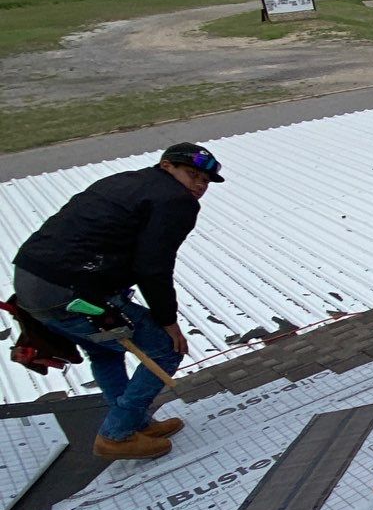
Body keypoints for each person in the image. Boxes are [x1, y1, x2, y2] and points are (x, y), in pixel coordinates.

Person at [11, 142, 224, 461]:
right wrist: (168, 321)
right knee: (166, 348)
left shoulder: (125, 181)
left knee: (103, 351)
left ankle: (134, 423)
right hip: (69, 292)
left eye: (205, 181)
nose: (198, 185)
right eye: (192, 174)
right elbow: (153, 266)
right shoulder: (174, 200)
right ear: (167, 167)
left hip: (30, 282)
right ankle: (117, 434)